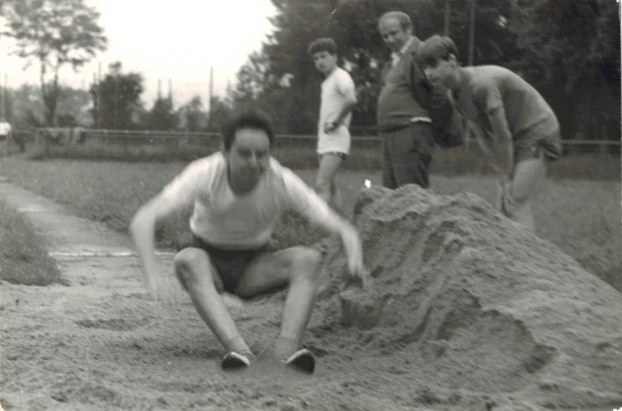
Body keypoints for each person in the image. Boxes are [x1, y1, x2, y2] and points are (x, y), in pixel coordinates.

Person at [129, 108, 366, 374]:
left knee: (308, 259)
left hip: (255, 266)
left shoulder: (281, 181)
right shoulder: (205, 172)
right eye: (244, 153)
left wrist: (354, 256)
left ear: (270, 154)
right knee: (187, 259)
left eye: (262, 154)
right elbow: (143, 219)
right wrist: (151, 274)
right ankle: (238, 351)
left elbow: (341, 227)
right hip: (208, 262)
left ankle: (286, 352)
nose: (254, 162)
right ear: (225, 152)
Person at [418, 35, 563, 231]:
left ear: (452, 61)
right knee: (502, 207)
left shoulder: (482, 85)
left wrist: (505, 176)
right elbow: (483, 136)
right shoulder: (454, 94)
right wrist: (501, 173)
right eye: (424, 68)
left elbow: (502, 135)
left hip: (537, 130)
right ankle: (510, 257)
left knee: (516, 201)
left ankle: (523, 261)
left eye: (433, 65)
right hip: (516, 136)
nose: (428, 72)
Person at [376, 11, 460, 190]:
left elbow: (439, 93)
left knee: (412, 197)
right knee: (391, 197)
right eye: (385, 36)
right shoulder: (394, 60)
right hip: (392, 134)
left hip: (411, 132)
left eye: (394, 33)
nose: (389, 39)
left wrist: (431, 130)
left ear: (409, 30)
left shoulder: (422, 53)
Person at [308, 37, 357, 211]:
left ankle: (320, 224)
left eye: (323, 56)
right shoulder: (327, 82)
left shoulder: (340, 76)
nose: (320, 61)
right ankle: (340, 223)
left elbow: (351, 99)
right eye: (316, 59)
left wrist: (337, 122)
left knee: (321, 184)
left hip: (336, 140)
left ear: (334, 56)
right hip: (325, 141)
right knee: (332, 188)